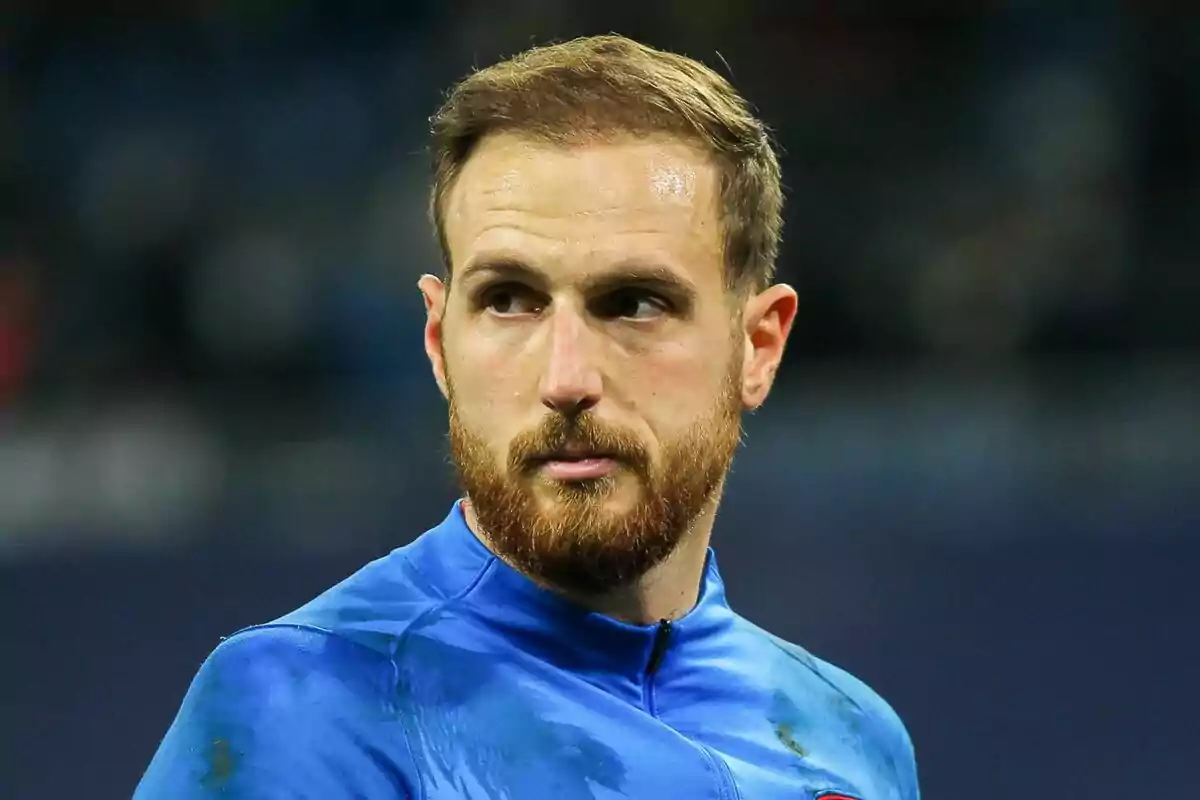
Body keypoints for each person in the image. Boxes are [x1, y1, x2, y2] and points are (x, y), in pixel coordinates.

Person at [136, 34, 920, 800]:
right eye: (509, 301)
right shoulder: (302, 710)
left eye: (634, 304)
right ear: (440, 342)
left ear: (758, 346)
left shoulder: (853, 742)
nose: (567, 378)